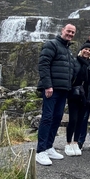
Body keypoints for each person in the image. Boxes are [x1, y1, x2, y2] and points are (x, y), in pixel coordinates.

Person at [36, 23, 76, 166]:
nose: (70, 34)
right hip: (51, 89)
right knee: (47, 118)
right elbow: (43, 64)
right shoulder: (52, 44)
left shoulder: (67, 50)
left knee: (57, 118)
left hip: (63, 90)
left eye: (73, 33)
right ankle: (40, 151)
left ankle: (49, 146)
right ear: (62, 31)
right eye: (68, 31)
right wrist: (47, 85)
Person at [66, 42, 90, 156]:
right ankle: (68, 143)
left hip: (87, 97)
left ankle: (76, 143)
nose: (87, 51)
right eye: (85, 49)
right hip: (74, 95)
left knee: (81, 121)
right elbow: (70, 78)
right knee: (73, 120)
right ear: (81, 50)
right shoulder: (74, 62)